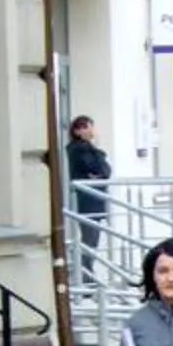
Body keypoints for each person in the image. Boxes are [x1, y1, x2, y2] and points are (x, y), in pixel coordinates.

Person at [67, 113, 113, 276]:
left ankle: (86, 274)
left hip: (90, 202)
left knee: (91, 240)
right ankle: (85, 275)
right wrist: (97, 150)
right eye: (87, 126)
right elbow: (98, 168)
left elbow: (106, 172)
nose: (92, 130)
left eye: (91, 126)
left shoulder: (86, 149)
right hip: (87, 202)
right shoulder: (80, 149)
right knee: (90, 240)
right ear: (77, 131)